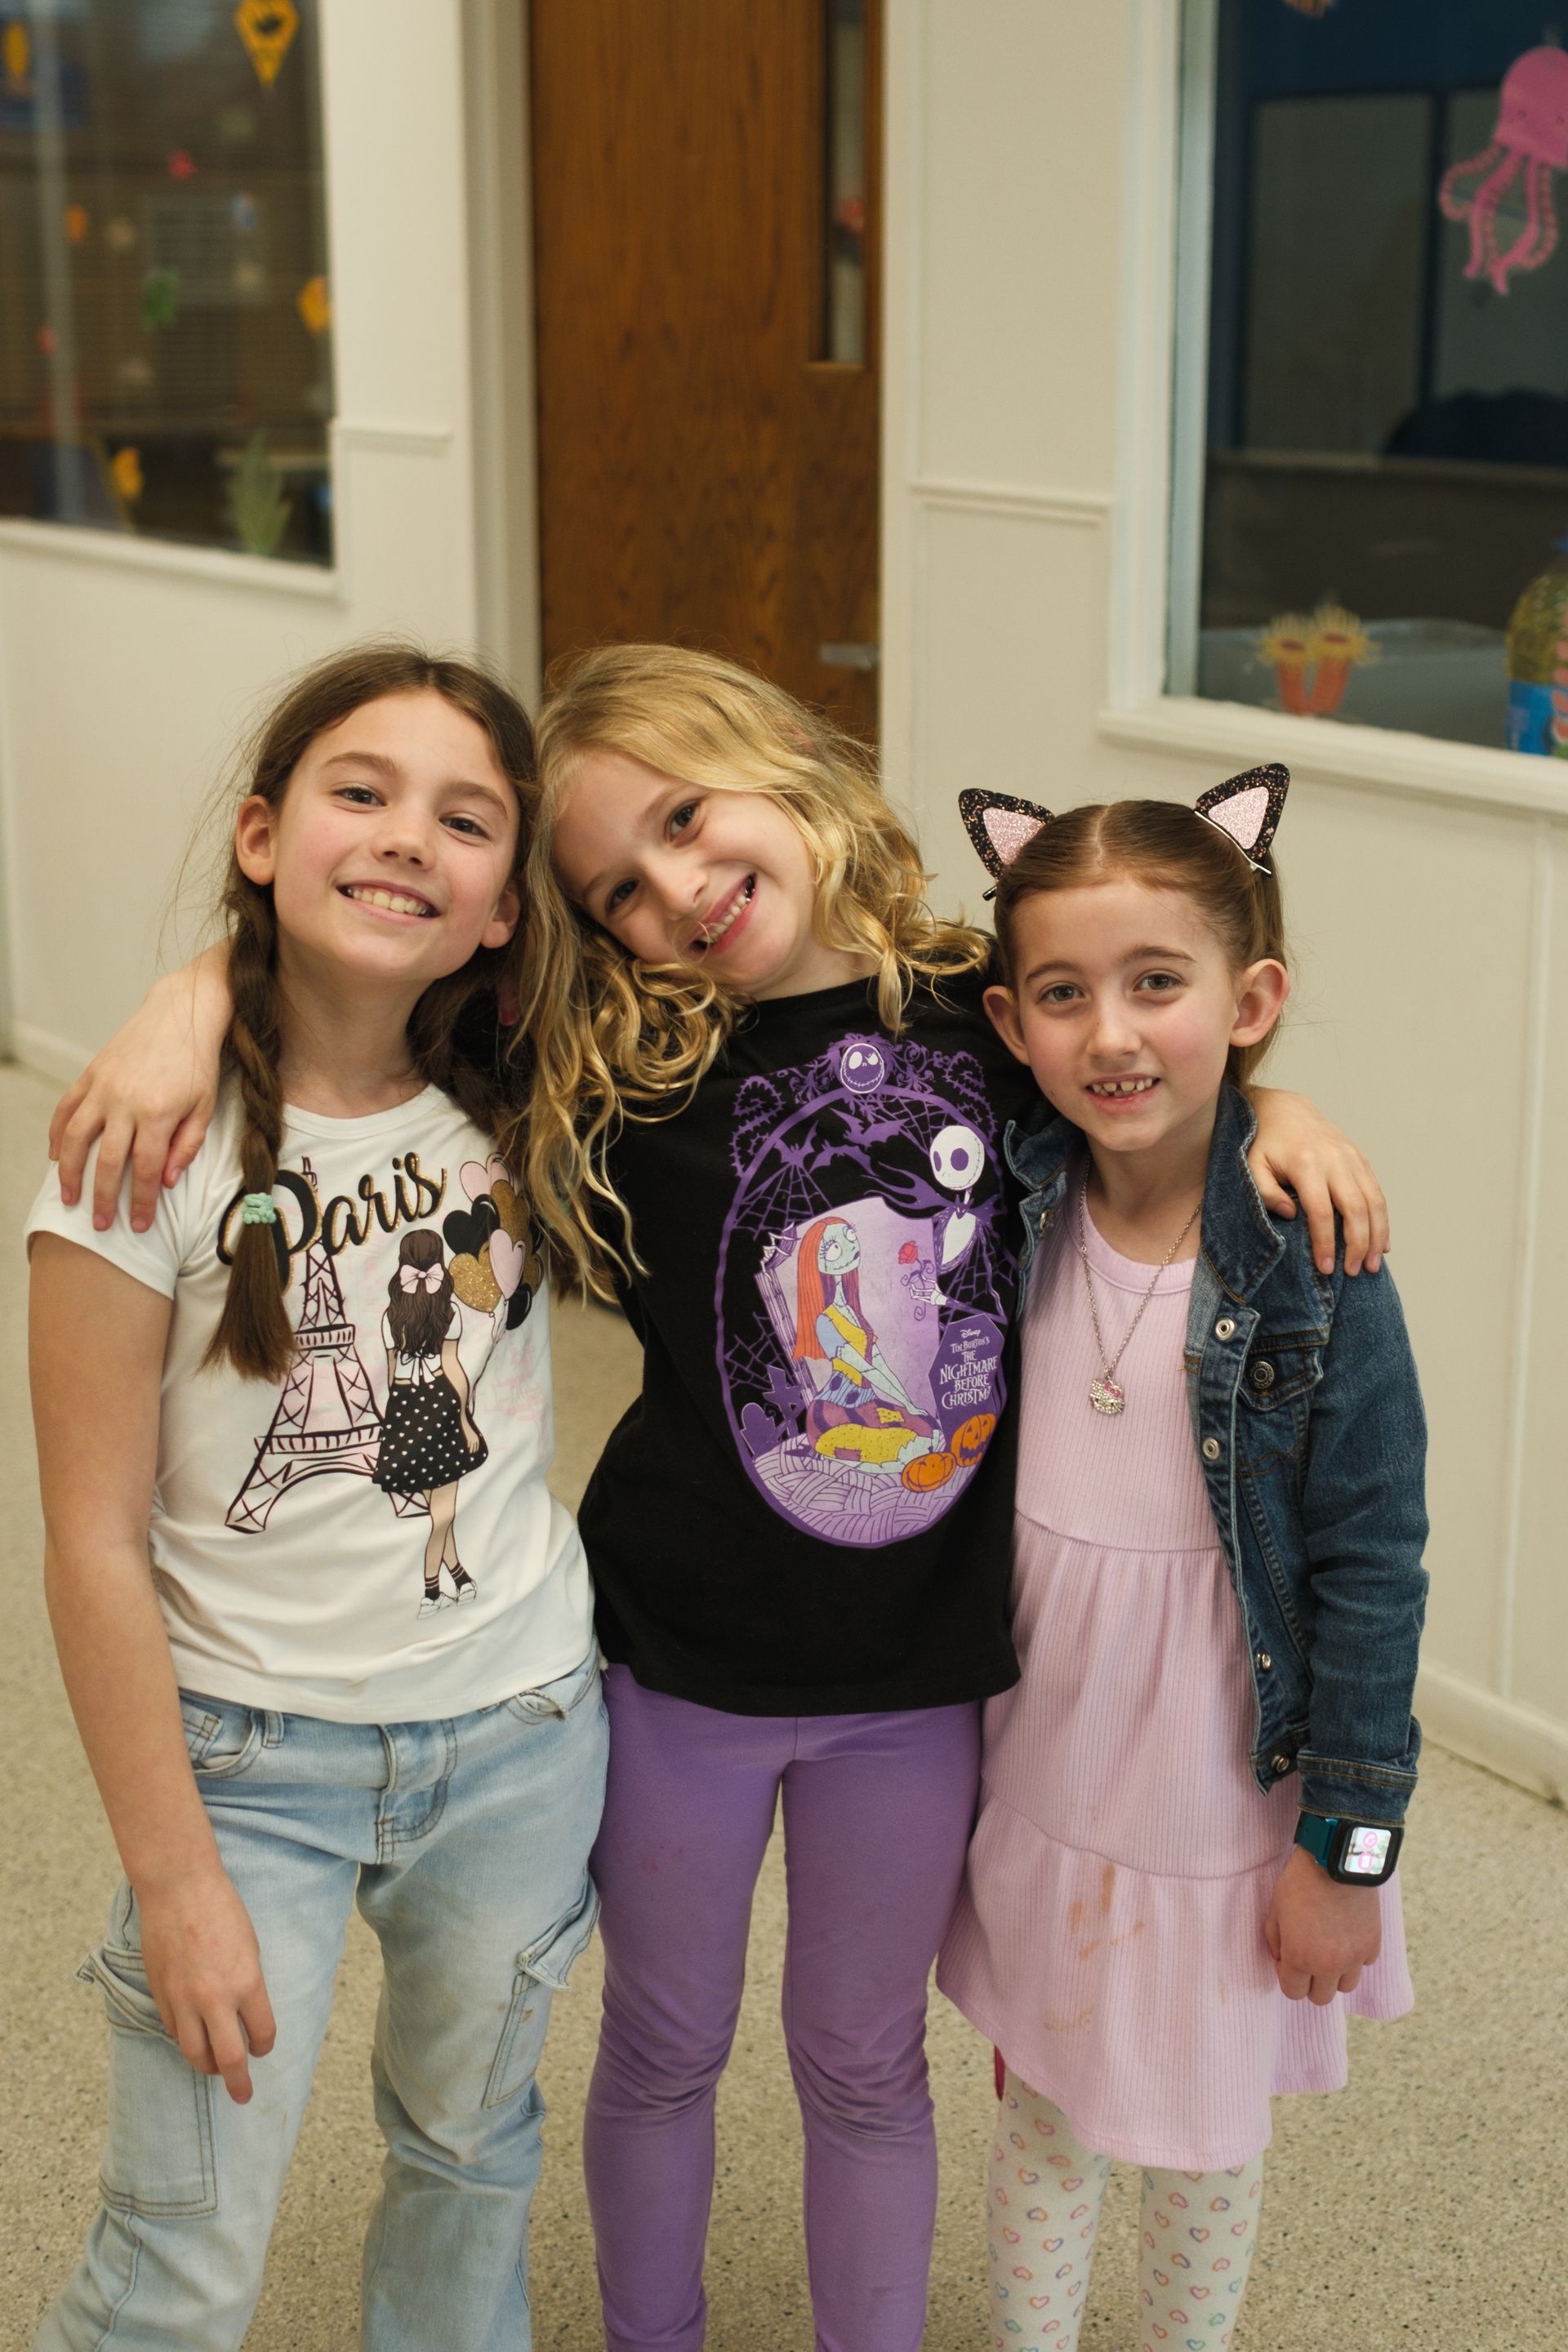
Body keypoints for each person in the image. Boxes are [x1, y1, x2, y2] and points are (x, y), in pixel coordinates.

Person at [47, 647, 1390, 2352]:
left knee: (862, 2061)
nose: (677, 888)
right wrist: (188, 998)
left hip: (912, 1687)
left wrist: (1282, 1111)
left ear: (782, 761)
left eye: (688, 817)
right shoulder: (606, 1059)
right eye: (617, 884)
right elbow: (359, 966)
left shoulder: (987, 1003)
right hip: (668, 1671)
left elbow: (1147, 1054)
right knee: (662, 2051)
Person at [26, 644, 605, 2352]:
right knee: (182, 2261)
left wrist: (1264, 1111)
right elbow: (84, 1543)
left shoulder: (539, 1083)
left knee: (469, 2161)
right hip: (243, 1773)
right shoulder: (142, 1143)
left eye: (467, 817)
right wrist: (175, 1877)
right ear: (266, 834)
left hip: (517, 1733)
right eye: (363, 793)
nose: (410, 837)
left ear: (510, 903)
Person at [936, 770, 1427, 2352]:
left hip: (1229, 1807)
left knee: (1208, 2146)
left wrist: (1347, 1853)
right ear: (1012, 1025)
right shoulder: (1013, 1193)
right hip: (1055, 1781)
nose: (1114, 1036)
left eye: (1160, 986)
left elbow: (1374, 1557)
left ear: (1252, 997)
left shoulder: (1310, 1250)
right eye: (1065, 997)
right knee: (1047, 2125)